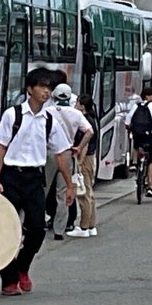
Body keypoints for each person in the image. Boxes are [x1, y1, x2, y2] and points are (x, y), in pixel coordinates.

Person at [0, 68, 76, 296]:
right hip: (11, 175)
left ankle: (23, 267)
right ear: (30, 89)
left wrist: (70, 184)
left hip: (34, 177)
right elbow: (0, 147)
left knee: (37, 228)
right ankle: (8, 280)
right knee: (7, 230)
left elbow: (61, 154)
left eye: (49, 88)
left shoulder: (49, 120)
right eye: (41, 87)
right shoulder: (13, 115)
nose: (46, 92)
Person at [47, 83, 92, 240]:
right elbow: (89, 131)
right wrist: (79, 148)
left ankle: (34, 224)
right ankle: (59, 230)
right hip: (67, 153)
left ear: (54, 96)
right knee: (63, 192)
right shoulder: (76, 114)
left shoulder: (47, 111)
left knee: (42, 190)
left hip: (49, 153)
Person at [67, 95, 102, 239]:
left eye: (77, 103)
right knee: (89, 192)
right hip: (91, 157)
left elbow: (85, 144)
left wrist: (79, 162)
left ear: (82, 106)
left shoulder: (85, 122)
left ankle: (84, 226)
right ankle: (91, 225)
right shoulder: (93, 119)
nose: (75, 105)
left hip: (85, 158)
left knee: (84, 193)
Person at [125, 85, 152, 199]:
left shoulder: (136, 106)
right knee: (151, 161)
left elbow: (127, 122)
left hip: (138, 136)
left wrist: (132, 131)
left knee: (138, 148)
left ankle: (137, 166)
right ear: (148, 96)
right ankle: (149, 186)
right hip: (150, 135)